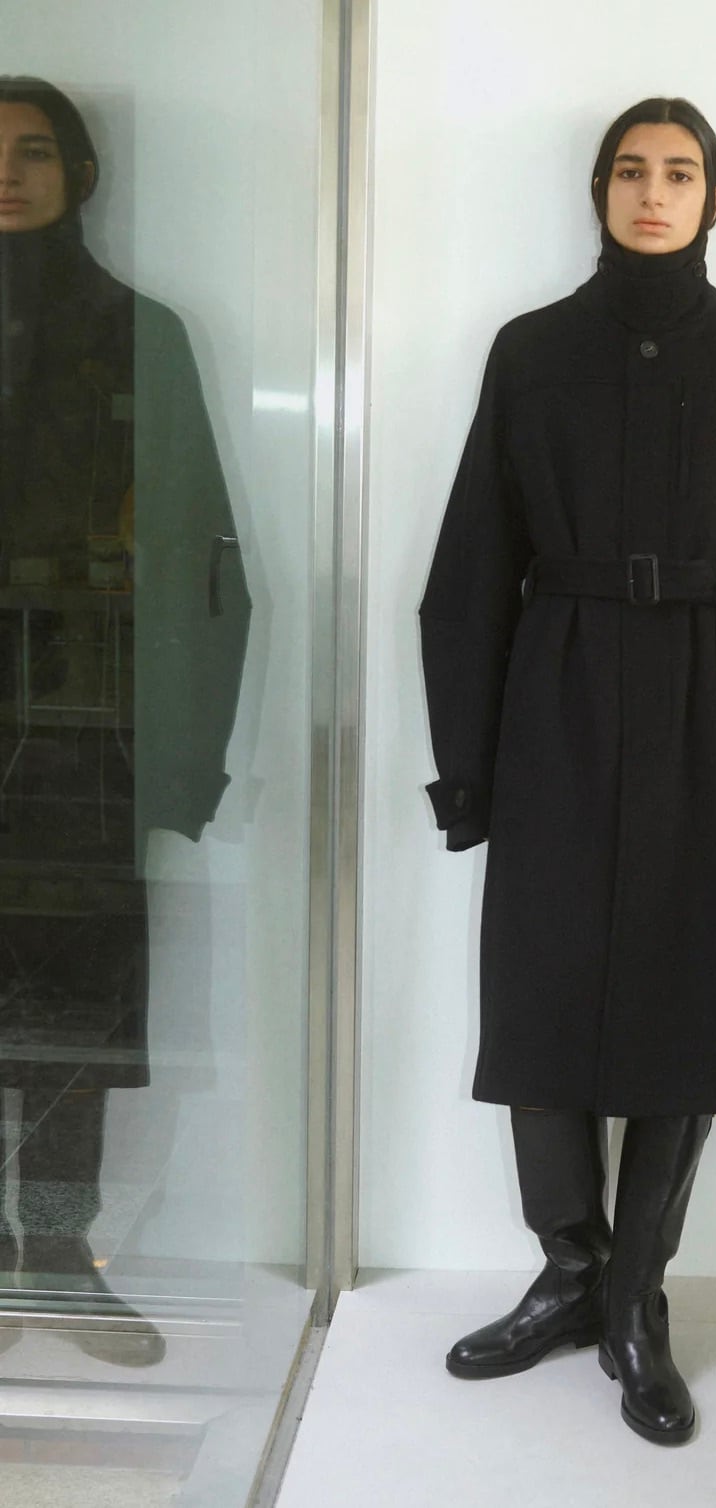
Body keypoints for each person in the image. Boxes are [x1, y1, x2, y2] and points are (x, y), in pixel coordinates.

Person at [419, 97, 716, 1444]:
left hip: (713, 710)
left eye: (681, 172)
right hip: (559, 699)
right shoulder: (533, 353)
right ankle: (567, 1269)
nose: (654, 192)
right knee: (543, 987)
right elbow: (472, 564)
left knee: (691, 990)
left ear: (714, 198)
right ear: (599, 192)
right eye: (630, 170)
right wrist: (469, 760)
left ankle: (634, 1296)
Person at [0, 76, 250, 1364]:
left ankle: (52, 1257)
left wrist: (185, 760)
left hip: (83, 724)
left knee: (74, 1006)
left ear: (81, 171)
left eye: (35, 150)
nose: (10, 172)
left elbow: (205, 558)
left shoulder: (140, 333)